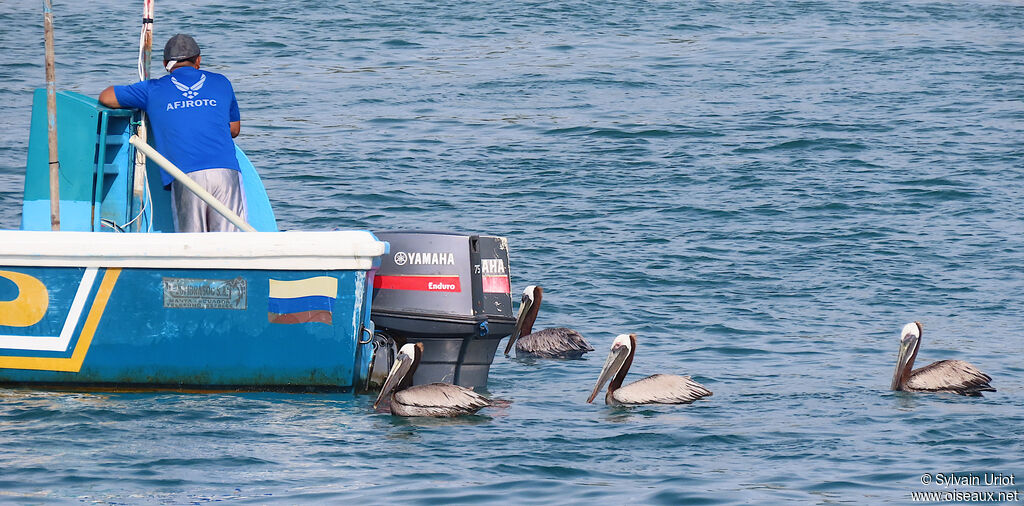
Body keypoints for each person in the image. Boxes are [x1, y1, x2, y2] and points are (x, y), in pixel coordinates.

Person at [99, 34, 246, 232]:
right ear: (199, 60)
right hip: (225, 170)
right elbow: (234, 129)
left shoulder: (152, 89)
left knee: (191, 245)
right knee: (232, 244)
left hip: (185, 174)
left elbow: (106, 97)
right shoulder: (222, 82)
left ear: (165, 63)